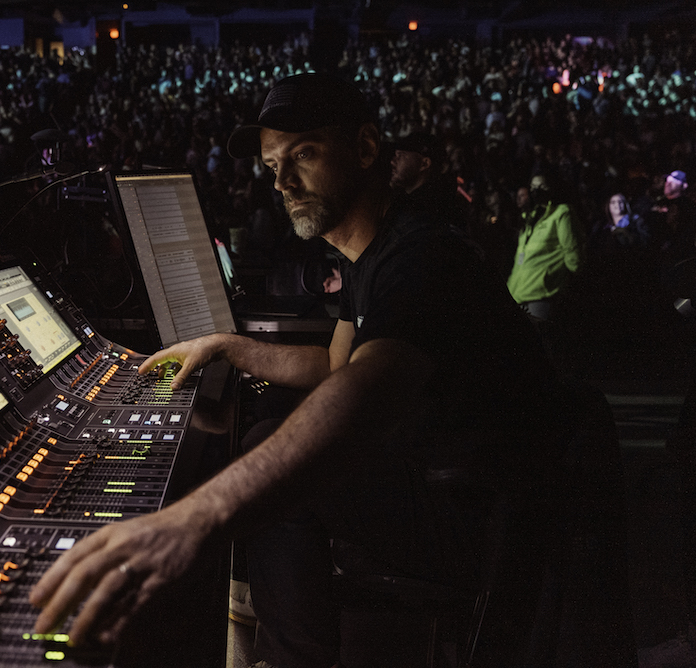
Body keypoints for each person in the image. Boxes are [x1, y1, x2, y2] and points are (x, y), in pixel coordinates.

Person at [29, 73, 568, 667]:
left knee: (272, 445)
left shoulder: (421, 258)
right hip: (467, 493)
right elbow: (338, 364)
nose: (283, 183)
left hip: (494, 528)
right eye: (272, 166)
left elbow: (364, 393)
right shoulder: (372, 251)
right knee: (273, 421)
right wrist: (229, 345)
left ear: (365, 149)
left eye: (303, 154)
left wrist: (194, 519)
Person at [506, 173, 582, 322]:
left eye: (542, 186)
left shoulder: (562, 213)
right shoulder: (530, 220)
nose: (536, 190)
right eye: (533, 186)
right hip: (516, 296)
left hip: (540, 298)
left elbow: (574, 258)